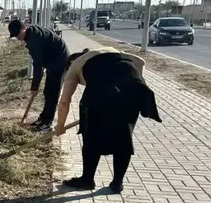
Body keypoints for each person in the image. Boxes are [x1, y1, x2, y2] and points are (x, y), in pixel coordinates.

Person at [55, 47, 161, 193]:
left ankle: (87, 180)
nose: (82, 84)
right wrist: (130, 85)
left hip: (102, 94)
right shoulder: (110, 51)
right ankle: (117, 183)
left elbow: (64, 101)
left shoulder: (74, 65)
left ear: (71, 62)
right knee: (123, 136)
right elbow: (141, 62)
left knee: (91, 136)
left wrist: (60, 125)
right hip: (133, 91)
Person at [8, 18, 69, 132]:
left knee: (52, 93)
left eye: (17, 34)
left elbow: (38, 66)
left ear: (23, 29)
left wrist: (34, 87)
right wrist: (35, 85)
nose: (17, 37)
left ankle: (47, 123)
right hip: (53, 60)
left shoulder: (34, 40)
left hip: (59, 61)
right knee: (47, 91)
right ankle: (43, 118)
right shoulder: (31, 34)